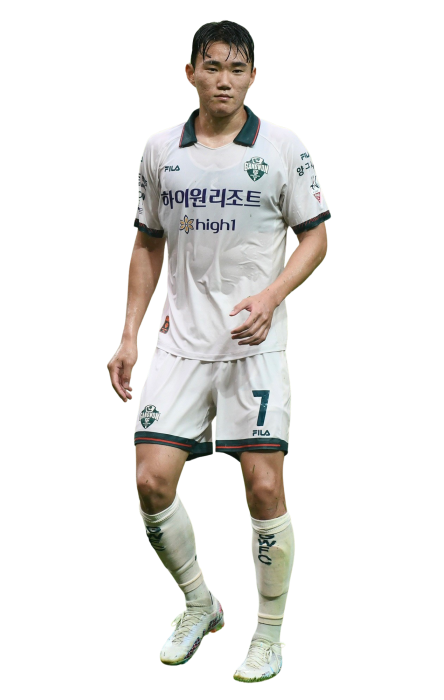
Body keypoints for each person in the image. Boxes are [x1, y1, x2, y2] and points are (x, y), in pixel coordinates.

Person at [106, 20, 329, 683]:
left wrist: (270, 297)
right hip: (180, 343)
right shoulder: (160, 150)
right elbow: (147, 244)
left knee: (264, 488)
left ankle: (269, 634)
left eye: (236, 69)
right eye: (212, 67)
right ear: (190, 73)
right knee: (151, 483)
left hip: (253, 343)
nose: (224, 80)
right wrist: (129, 335)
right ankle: (200, 605)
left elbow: (316, 237)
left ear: (253, 77)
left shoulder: (282, 146)